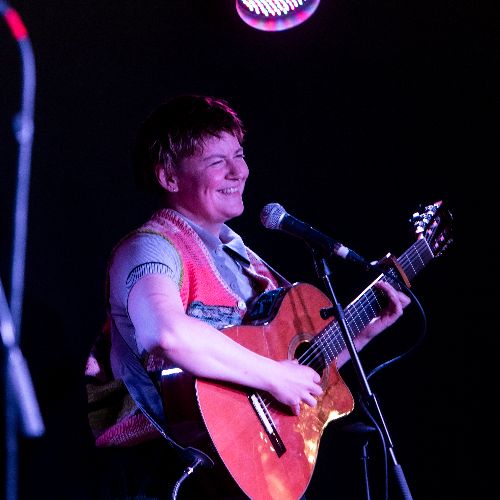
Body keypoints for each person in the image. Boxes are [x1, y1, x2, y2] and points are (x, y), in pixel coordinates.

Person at [85, 94, 410, 499]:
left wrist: (361, 333)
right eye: (217, 161)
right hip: (165, 477)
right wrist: (273, 375)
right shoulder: (151, 247)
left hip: (242, 473)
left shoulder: (249, 264)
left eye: (239, 155)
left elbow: (299, 374)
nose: (238, 171)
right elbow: (166, 334)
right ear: (169, 178)